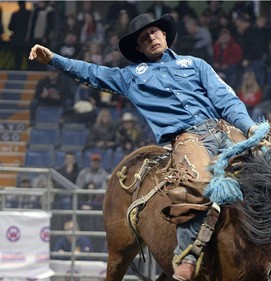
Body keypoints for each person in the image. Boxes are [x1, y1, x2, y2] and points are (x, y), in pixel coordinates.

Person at [29, 13, 257, 281]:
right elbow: (92, 73)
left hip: (224, 130)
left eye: (154, 32)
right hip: (187, 139)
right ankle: (187, 253)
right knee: (197, 181)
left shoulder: (196, 64)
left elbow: (225, 98)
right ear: (139, 48)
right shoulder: (131, 76)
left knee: (269, 165)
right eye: (143, 37)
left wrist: (249, 127)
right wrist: (54, 59)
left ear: (164, 35)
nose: (151, 37)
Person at [8, 1, 31, 70]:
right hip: (26, 39)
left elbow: (10, 27)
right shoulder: (29, 14)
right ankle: (29, 68)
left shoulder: (15, 14)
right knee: (28, 55)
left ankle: (17, 67)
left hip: (17, 39)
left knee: (18, 56)